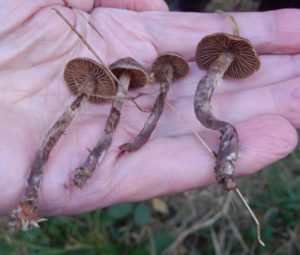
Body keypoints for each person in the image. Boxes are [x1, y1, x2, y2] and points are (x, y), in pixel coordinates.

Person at [0, 0, 299, 216]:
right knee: (86, 123)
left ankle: (225, 152)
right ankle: (48, 186)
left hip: (154, 76)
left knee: (207, 113)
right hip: (102, 82)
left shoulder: (215, 62)